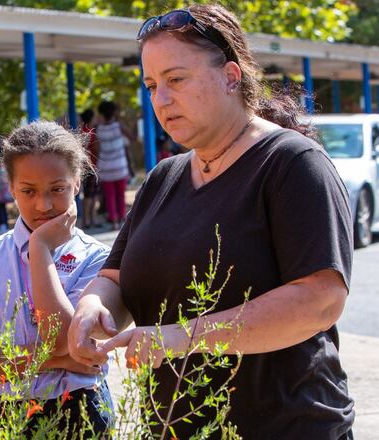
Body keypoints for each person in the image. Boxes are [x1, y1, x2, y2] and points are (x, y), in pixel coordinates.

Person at [67, 5, 354, 439]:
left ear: (231, 77)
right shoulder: (164, 176)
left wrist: (182, 336)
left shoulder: (293, 164)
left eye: (176, 79)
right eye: (151, 85)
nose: (160, 100)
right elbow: (117, 276)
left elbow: (319, 301)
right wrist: (93, 308)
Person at [0, 120, 114, 438]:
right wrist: (58, 358)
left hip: (83, 409)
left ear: (77, 182)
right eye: (28, 191)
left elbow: (66, 337)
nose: (45, 205)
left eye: (58, 189)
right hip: (8, 411)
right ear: (10, 188)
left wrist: (39, 249)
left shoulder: (98, 258)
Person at [95, 101, 132, 230]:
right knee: (121, 195)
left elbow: (97, 149)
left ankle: (114, 221)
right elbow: (131, 137)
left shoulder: (99, 129)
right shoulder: (118, 126)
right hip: (120, 166)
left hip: (106, 167)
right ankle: (122, 220)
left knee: (109, 196)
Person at [79, 109, 100, 229]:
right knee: (91, 195)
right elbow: (95, 149)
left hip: (86, 167)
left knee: (88, 195)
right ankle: (90, 220)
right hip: (91, 166)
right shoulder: (90, 133)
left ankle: (87, 220)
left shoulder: (82, 132)